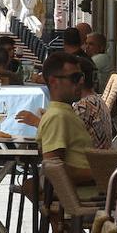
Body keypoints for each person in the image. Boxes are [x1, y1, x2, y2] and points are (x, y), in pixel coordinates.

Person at [16, 52, 94, 189]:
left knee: (29, 185)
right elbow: (56, 173)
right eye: (75, 78)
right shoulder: (57, 116)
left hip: (93, 195)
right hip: (87, 199)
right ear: (53, 81)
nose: (82, 81)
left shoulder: (62, 113)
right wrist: (104, 173)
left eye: (82, 76)